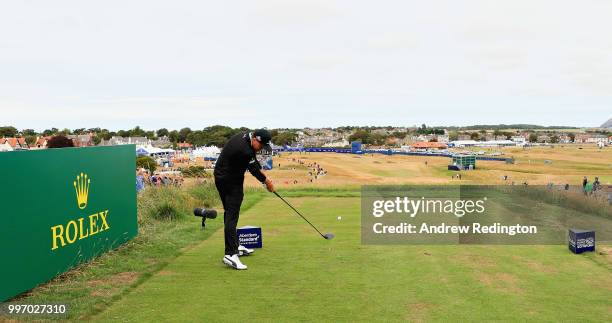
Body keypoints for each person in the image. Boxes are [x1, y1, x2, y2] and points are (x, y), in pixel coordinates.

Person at [214, 129, 275, 270]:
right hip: (228, 180)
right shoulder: (245, 150)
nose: (261, 149)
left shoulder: (245, 138)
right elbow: (254, 169)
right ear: (255, 139)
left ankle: (234, 246)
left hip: (224, 176)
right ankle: (230, 254)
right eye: (260, 145)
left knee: (230, 213)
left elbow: (254, 164)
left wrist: (265, 179)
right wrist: (267, 182)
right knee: (232, 214)